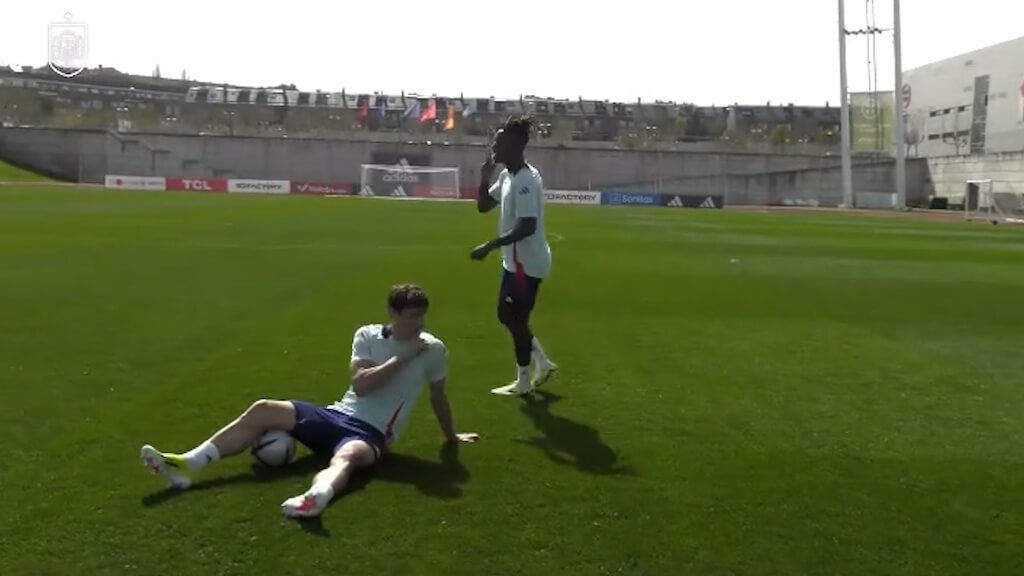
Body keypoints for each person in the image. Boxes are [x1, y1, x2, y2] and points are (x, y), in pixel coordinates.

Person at [139, 284, 480, 518]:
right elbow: (360, 386)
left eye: (422, 316)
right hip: (335, 415)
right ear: (393, 312)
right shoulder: (368, 335)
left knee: (346, 456)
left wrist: (452, 436)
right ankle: (187, 465)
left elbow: (439, 396)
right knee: (263, 408)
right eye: (411, 316)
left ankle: (315, 498)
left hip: (372, 435)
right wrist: (401, 358)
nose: (418, 323)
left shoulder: (433, 349)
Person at [471, 115, 558, 396]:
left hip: (528, 264)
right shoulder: (507, 176)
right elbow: (484, 206)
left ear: (514, 146)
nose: (493, 147)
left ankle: (525, 380)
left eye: (498, 142)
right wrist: (484, 177)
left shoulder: (525, 181)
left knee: (511, 316)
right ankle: (541, 364)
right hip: (515, 261)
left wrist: (490, 245)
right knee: (510, 316)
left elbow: (527, 225)